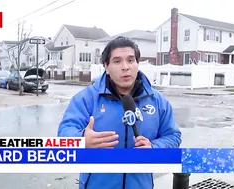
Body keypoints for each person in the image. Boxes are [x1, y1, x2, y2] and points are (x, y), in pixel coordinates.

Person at [57, 36, 182, 189]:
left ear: (137, 63)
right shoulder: (86, 99)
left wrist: (154, 148)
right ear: (106, 67)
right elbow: (64, 133)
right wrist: (81, 139)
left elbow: (173, 136)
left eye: (130, 60)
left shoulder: (157, 101)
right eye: (117, 61)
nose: (125, 67)